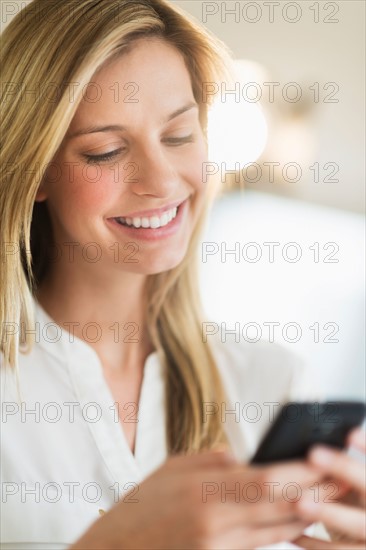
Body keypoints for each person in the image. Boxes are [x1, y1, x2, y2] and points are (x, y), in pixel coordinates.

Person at [0, 1, 363, 549]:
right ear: (36, 168)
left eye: (178, 136)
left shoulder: (270, 381)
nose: (163, 180)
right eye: (106, 151)